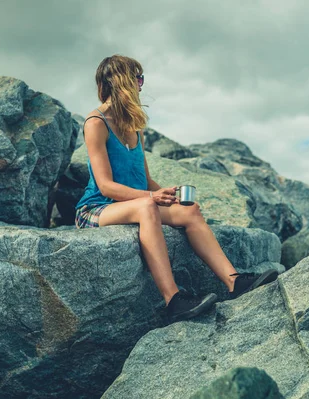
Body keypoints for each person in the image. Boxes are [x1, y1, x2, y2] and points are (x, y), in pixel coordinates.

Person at [75, 54, 278, 323]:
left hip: (133, 203)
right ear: (123, 80)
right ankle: (173, 300)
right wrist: (152, 198)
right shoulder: (96, 123)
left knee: (189, 211)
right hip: (97, 208)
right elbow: (106, 186)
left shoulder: (134, 126)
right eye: (138, 78)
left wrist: (167, 195)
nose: (141, 84)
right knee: (148, 206)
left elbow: (144, 179)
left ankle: (234, 282)